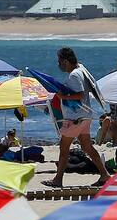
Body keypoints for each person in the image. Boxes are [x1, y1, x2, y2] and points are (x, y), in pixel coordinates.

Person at [43, 48, 109, 188]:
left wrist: (62, 96)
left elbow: (79, 94)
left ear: (66, 61)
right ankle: (104, 175)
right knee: (87, 147)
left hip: (75, 118)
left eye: (60, 61)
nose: (58, 64)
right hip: (85, 116)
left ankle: (58, 180)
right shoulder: (81, 69)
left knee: (64, 147)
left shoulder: (74, 75)